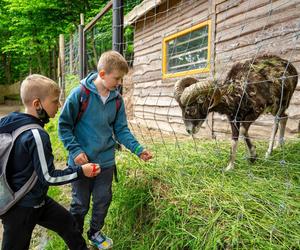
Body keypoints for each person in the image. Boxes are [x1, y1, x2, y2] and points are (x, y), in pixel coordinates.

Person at [58, 50, 152, 249]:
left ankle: (95, 232)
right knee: (80, 203)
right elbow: (64, 125)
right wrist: (75, 151)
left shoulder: (116, 101)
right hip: (81, 163)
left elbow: (121, 130)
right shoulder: (80, 95)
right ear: (102, 74)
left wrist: (138, 149)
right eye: (117, 78)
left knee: (103, 200)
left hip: (105, 163)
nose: (119, 83)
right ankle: (75, 238)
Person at [0, 74, 101, 250]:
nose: (59, 105)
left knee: (69, 224)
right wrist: (80, 171)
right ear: (37, 104)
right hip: (21, 208)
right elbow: (49, 177)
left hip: (37, 200)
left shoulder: (12, 120)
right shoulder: (37, 135)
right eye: (55, 101)